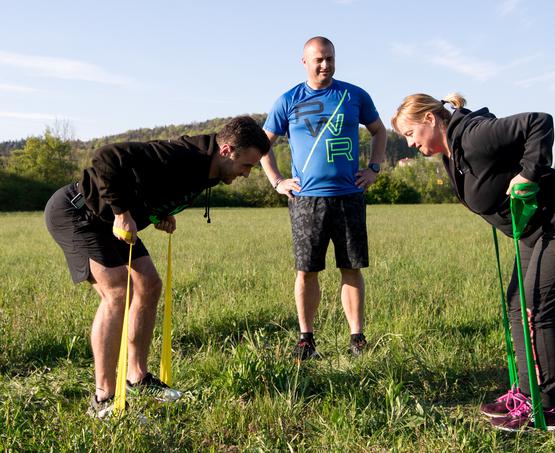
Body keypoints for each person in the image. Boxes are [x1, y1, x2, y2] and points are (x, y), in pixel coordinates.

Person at [392, 93, 555, 431]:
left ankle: (545, 410)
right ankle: (526, 394)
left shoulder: (473, 135)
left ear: (431, 120)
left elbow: (539, 121)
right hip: (538, 227)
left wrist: (529, 175)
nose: (409, 143)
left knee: (536, 310)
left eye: (410, 133)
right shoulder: (455, 147)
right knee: (518, 304)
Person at [44, 116, 271, 418]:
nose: (247, 173)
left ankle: (136, 376)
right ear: (228, 150)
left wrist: (158, 213)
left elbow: (149, 186)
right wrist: (123, 213)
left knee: (149, 284)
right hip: (79, 212)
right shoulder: (181, 157)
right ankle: (103, 399)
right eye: (247, 165)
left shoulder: (211, 169)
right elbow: (107, 157)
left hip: (109, 220)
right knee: (116, 291)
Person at [260, 36, 387, 359]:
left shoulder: (354, 95)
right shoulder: (289, 99)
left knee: (351, 267)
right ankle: (306, 339)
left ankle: (357, 338)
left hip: (349, 197)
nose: (325, 65)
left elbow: (379, 131)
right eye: (318, 59)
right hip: (306, 200)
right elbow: (263, 144)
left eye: (330, 58)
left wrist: (373, 169)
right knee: (307, 271)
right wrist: (276, 181)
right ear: (304, 61)